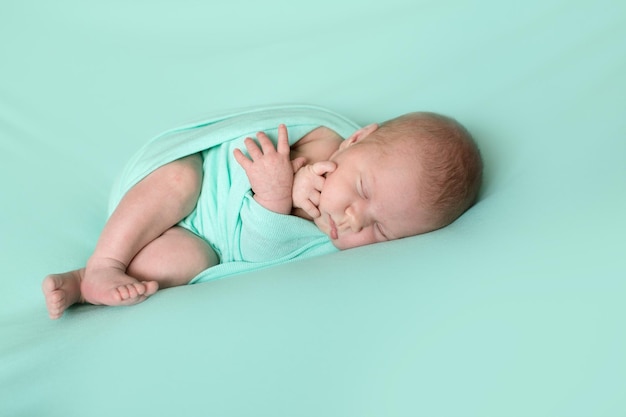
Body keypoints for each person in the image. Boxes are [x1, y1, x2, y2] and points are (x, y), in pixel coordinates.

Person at [42, 109, 482, 319]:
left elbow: (258, 252)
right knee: (177, 182)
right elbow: (250, 148)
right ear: (357, 140)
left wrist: (277, 205)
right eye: (362, 189)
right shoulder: (323, 138)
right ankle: (106, 260)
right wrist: (287, 180)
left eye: (380, 230)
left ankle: (84, 282)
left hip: (208, 239)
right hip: (188, 187)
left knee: (186, 263)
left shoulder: (326, 242)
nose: (352, 217)